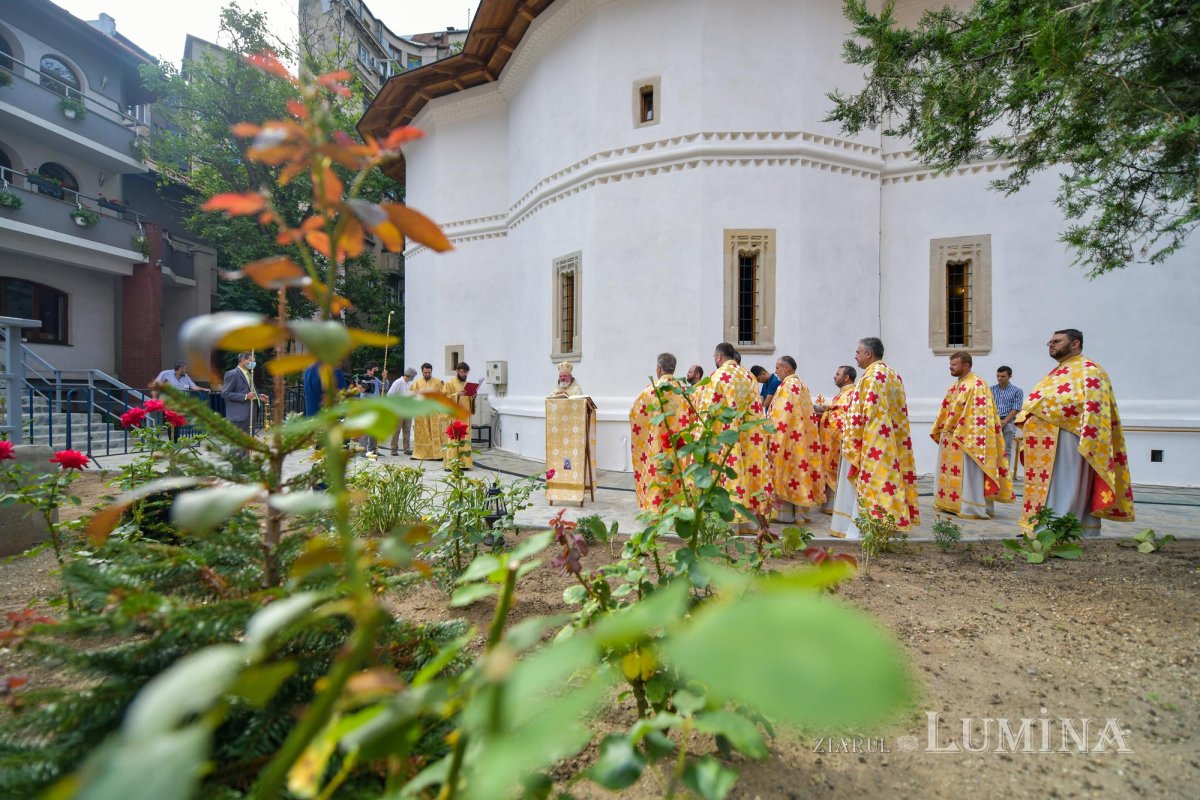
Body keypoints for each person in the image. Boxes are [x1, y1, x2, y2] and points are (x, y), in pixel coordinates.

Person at [1015, 329, 1134, 535]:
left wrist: (1043, 411)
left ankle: (1061, 530)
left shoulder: (1090, 370)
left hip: (1070, 439)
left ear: (1075, 344)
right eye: (1050, 341)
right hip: (1045, 442)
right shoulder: (1056, 373)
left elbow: (1094, 407)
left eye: (1057, 341)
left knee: (1066, 484)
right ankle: (1043, 526)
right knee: (1050, 486)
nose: (1051, 345)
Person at [831, 338, 920, 538]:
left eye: (858, 352)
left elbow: (867, 413)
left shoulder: (870, 376)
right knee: (887, 482)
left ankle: (862, 528)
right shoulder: (893, 374)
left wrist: (852, 438)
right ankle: (887, 523)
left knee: (868, 484)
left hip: (872, 443)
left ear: (868, 354)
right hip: (891, 441)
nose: (855, 356)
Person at [930, 352, 1014, 519]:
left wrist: (960, 433)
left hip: (967, 439)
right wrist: (943, 430)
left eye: (954, 365)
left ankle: (970, 506)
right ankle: (950, 504)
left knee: (968, 475)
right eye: (951, 364)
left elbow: (978, 417)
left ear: (966, 365)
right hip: (951, 439)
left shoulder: (977, 385)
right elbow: (946, 410)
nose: (950, 367)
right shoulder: (956, 385)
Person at [698, 342, 771, 525]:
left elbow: (708, 410)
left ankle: (731, 523)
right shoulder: (748, 376)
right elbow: (757, 407)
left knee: (729, 476)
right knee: (749, 473)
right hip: (750, 437)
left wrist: (701, 436)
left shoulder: (718, 376)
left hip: (726, 437)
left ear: (718, 357)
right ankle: (751, 521)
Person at [766, 356, 824, 522]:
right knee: (799, 474)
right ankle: (799, 515)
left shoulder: (788, 386)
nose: (775, 371)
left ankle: (787, 516)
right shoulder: (801, 385)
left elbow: (782, 416)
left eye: (778, 368)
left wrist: (772, 433)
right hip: (801, 438)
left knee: (787, 473)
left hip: (788, 439)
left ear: (787, 368)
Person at [629, 353, 689, 511]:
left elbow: (635, 415)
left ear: (658, 369)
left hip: (657, 445)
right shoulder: (684, 391)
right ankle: (679, 509)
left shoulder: (650, 391)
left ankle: (657, 510)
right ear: (673, 369)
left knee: (658, 474)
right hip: (680, 445)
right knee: (678, 475)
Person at [814, 365, 856, 514]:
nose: (834, 376)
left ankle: (838, 507)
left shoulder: (851, 393)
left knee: (837, 472)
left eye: (837, 374)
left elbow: (843, 417)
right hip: (830, 441)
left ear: (846, 378)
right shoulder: (843, 393)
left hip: (838, 441)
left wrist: (826, 414)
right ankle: (830, 505)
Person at [221, 351, 267, 435]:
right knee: (238, 445)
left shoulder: (249, 374)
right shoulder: (232, 374)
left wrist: (258, 396)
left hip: (251, 415)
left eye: (254, 361)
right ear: (243, 360)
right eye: (251, 361)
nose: (253, 363)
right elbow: (225, 393)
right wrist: (245, 396)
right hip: (239, 416)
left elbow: (247, 391)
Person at [991, 365, 1024, 475]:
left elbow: (1016, 408)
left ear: (1010, 376)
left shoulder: (1017, 391)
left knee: (1006, 450)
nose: (999, 378)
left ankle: (1004, 474)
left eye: (1003, 376)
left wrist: (1004, 421)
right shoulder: (991, 390)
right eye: (998, 376)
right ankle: (992, 473)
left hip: (1008, 422)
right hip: (992, 422)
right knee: (991, 448)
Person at [443, 362, 475, 469]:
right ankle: (451, 464)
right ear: (457, 371)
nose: (464, 374)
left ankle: (465, 463)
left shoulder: (468, 384)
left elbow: (469, 400)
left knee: (465, 439)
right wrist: (456, 395)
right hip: (454, 417)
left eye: (466, 372)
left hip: (465, 417)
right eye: (462, 372)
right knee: (454, 439)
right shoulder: (449, 384)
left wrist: (473, 397)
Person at [409, 363, 445, 460]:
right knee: (421, 434)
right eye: (425, 372)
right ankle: (419, 454)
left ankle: (437, 454)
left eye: (429, 372)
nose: (427, 374)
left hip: (433, 412)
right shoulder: (416, 383)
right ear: (422, 372)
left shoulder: (438, 382)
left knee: (434, 433)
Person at [388, 366, 417, 455]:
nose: (413, 378)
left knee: (407, 430)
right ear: (410, 376)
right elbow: (390, 395)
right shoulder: (398, 382)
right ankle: (393, 449)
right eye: (413, 377)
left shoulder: (408, 383)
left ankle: (406, 448)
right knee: (396, 430)